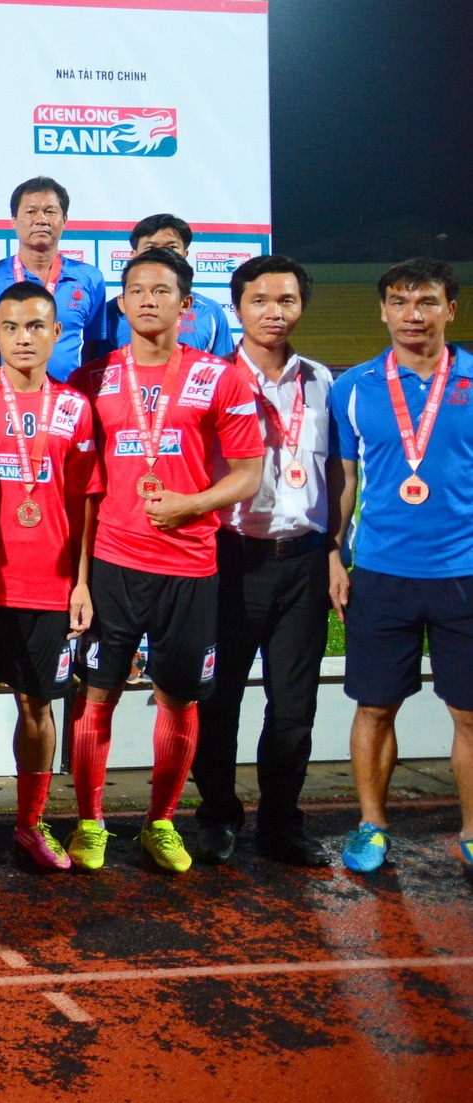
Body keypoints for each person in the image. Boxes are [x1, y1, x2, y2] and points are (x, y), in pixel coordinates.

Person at [67, 247, 263, 874]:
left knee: (179, 700)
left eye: (162, 290)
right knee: (96, 698)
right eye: (136, 291)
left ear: (186, 304)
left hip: (190, 566)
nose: (148, 300)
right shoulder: (93, 378)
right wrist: (80, 577)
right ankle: (91, 823)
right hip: (114, 564)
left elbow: (249, 474)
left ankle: (160, 822)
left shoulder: (220, 377)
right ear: (121, 303)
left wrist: (191, 505)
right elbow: (84, 487)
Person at [0, 282, 99, 872]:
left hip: (47, 588)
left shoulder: (75, 406)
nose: (23, 338)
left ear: (56, 333)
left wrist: (81, 583)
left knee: (39, 707)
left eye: (35, 326)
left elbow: (85, 500)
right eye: (10, 327)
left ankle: (31, 824)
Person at [328, 257, 473, 877]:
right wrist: (334, 554)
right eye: (400, 301)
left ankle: (472, 831)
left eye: (427, 301)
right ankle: (372, 824)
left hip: (464, 572)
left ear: (450, 310)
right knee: (375, 707)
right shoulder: (354, 387)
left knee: (469, 714)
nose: (413, 314)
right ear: (383, 310)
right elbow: (344, 480)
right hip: (381, 572)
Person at [188, 256, 333, 867]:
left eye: (287, 300)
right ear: (237, 306)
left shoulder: (323, 382)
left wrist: (334, 550)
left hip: (302, 562)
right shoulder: (210, 380)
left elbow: (340, 477)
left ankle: (281, 824)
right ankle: (218, 816)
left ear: (302, 307)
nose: (274, 312)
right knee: (217, 701)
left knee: (294, 709)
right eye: (260, 300)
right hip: (230, 559)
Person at [0, 177, 104, 382]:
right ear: (13, 220)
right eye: (31, 212)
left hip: (67, 397)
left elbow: (95, 348)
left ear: (65, 219)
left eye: (50, 211)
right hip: (1, 395)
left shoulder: (90, 278)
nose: (41, 220)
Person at [94, 214, 237, 361]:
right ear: (134, 255)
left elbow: (224, 368)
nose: (162, 254)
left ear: (185, 254)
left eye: (171, 247)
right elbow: (96, 369)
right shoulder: (109, 314)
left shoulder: (209, 311)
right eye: (150, 248)